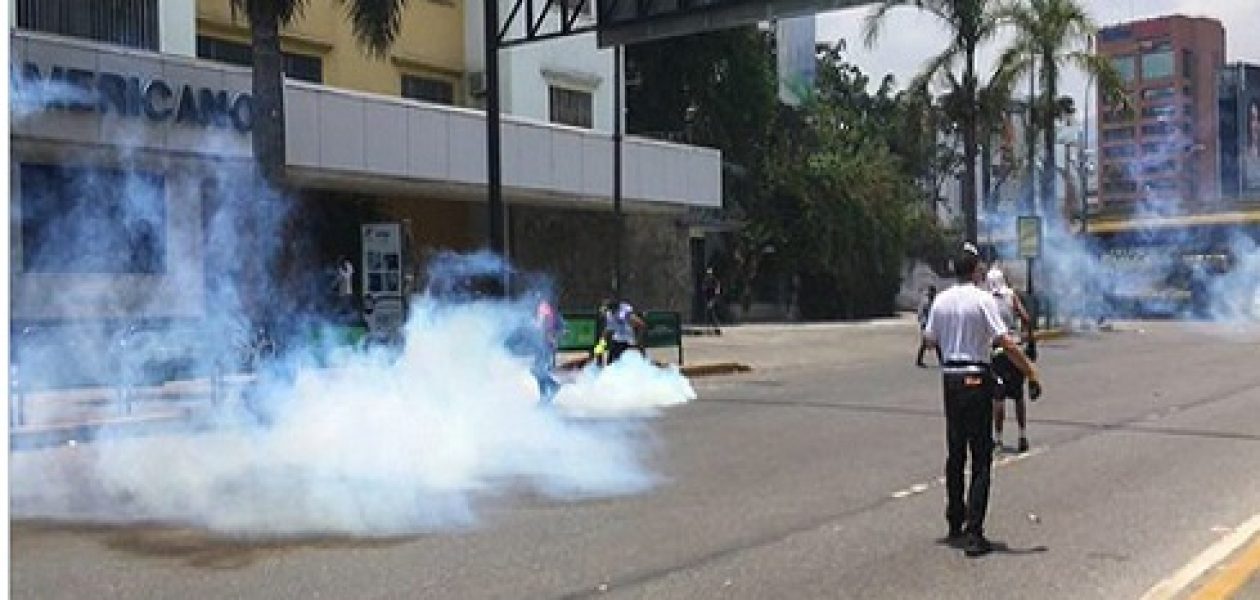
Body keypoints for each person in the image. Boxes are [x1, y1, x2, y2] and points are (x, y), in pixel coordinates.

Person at [923, 244, 1042, 557]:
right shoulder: (983, 300)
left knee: (955, 452)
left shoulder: (941, 301)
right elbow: (1004, 340)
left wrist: (949, 357)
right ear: (976, 271)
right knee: (980, 457)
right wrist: (1031, 371)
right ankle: (975, 533)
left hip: (950, 379)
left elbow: (929, 339)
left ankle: (954, 520)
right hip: (976, 376)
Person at [986, 267, 1034, 453]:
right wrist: (1029, 341)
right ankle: (1022, 435)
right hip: (1014, 348)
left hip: (997, 352)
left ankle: (998, 439)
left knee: (998, 397)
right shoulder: (1011, 296)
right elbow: (1026, 318)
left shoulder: (987, 300)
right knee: (1018, 396)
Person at [602, 297, 645, 364]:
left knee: (632, 365)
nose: (607, 311)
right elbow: (606, 332)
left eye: (608, 308)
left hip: (628, 342)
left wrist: (638, 341)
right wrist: (599, 348)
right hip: (617, 341)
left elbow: (641, 325)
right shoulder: (609, 315)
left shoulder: (625, 313)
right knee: (610, 365)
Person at [915, 285, 942, 367]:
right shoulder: (926, 302)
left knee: (936, 343)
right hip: (926, 324)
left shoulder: (934, 301)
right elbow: (921, 314)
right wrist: (923, 323)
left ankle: (941, 360)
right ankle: (919, 361)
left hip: (932, 324)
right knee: (926, 343)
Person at [702, 268, 723, 334]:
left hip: (714, 298)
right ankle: (710, 328)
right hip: (708, 298)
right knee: (709, 313)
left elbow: (717, 291)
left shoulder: (715, 281)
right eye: (708, 274)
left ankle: (717, 328)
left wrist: (713, 301)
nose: (709, 275)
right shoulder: (706, 281)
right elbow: (704, 289)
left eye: (710, 274)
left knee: (713, 313)